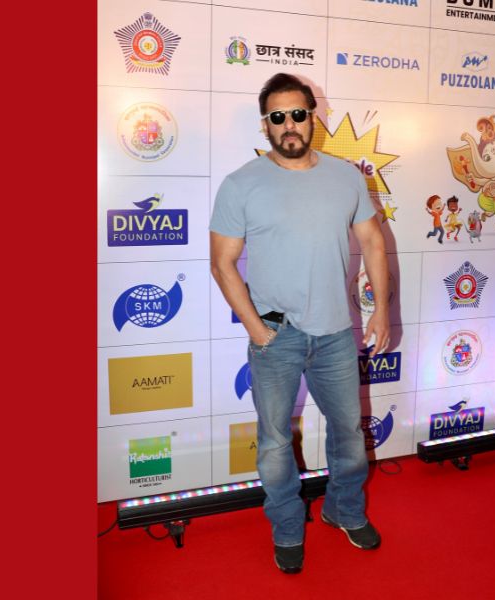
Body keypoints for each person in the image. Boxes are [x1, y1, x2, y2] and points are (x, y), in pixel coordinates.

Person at [209, 73, 390, 574]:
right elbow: (222, 263)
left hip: (336, 334)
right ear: (265, 124)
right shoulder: (241, 183)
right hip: (275, 337)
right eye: (277, 116)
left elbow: (373, 242)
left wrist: (382, 308)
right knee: (273, 443)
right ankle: (287, 527)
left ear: (313, 117)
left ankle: (344, 510)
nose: (289, 124)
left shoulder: (346, 177)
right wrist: (255, 328)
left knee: (349, 434)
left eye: (297, 114)